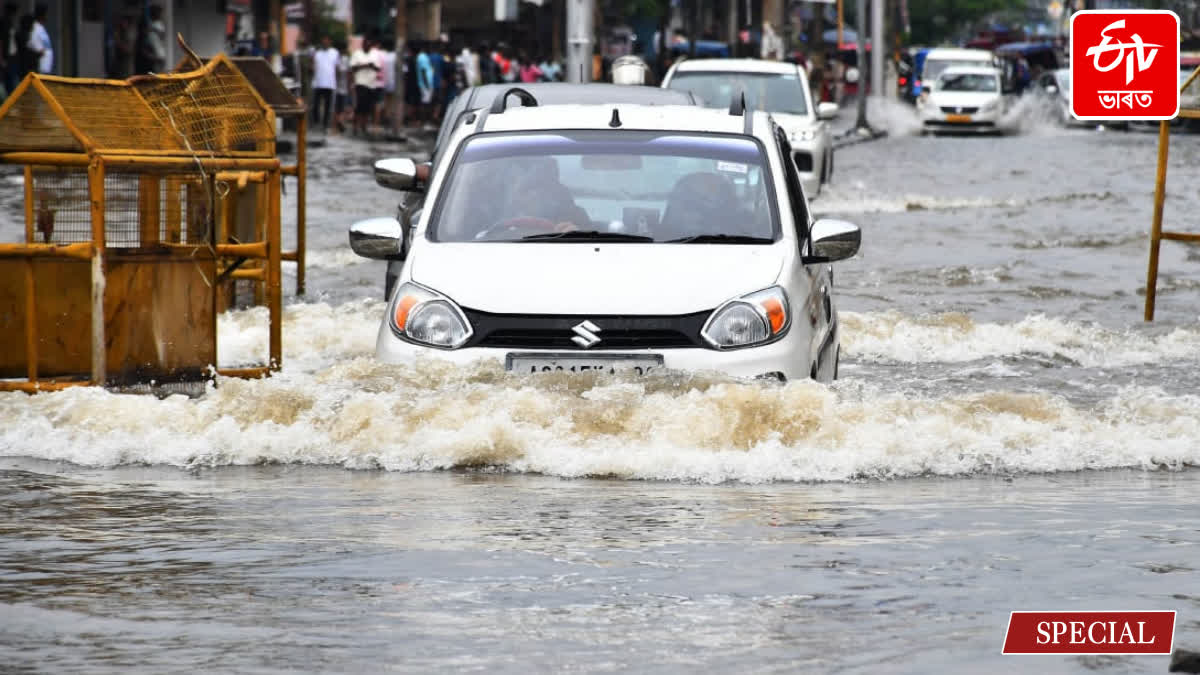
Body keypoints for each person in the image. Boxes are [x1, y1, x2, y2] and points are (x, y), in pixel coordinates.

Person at [349, 37, 379, 135]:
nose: (368, 46)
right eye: (366, 44)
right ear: (363, 45)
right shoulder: (357, 54)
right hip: (360, 83)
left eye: (369, 45)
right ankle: (355, 127)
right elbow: (353, 68)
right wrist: (364, 65)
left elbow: (378, 68)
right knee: (359, 107)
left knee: (367, 107)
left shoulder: (375, 54)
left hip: (371, 84)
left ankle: (364, 126)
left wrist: (371, 66)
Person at [311, 34, 338, 132]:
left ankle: (326, 124)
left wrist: (336, 81)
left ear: (330, 42)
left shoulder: (335, 53)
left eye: (327, 40)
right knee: (316, 105)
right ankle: (316, 123)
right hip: (318, 83)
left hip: (329, 83)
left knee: (328, 106)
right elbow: (313, 66)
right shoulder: (317, 53)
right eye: (323, 40)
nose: (325, 42)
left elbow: (336, 68)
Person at [28, 3, 51, 74]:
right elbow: (33, 43)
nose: (47, 16)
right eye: (46, 14)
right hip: (40, 68)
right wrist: (40, 51)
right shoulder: (35, 28)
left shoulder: (41, 28)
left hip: (45, 67)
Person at [1, 2, 17, 97]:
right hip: (7, 58)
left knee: (12, 81)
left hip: (12, 57)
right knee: (9, 82)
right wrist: (2, 58)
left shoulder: (10, 23)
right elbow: (2, 41)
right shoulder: (4, 23)